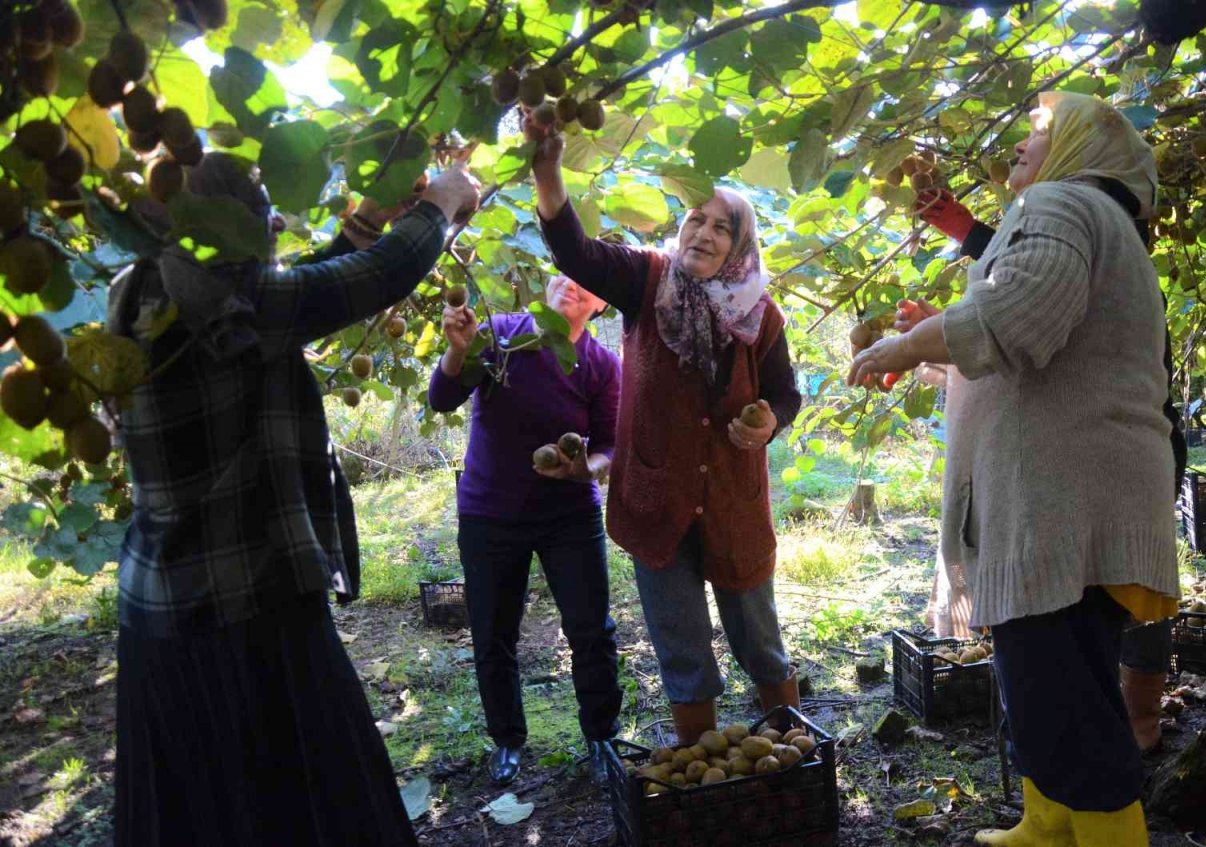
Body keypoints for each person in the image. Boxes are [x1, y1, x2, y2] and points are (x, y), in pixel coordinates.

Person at [107, 152, 479, 847]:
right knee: (312, 807)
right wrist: (445, 202)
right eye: (259, 215)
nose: (273, 224)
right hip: (251, 609)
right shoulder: (224, 300)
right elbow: (371, 280)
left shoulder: (148, 286)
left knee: (200, 817)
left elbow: (283, 295)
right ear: (226, 231)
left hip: (161, 615)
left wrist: (364, 223)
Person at [850, 91, 1179, 845]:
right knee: (1055, 688)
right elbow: (1032, 363)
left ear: (1080, 145)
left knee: (1064, 704)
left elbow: (1016, 317)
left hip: (1055, 508)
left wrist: (904, 346)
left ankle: (1094, 829)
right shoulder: (1092, 219)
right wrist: (935, 354)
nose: (1020, 150)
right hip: (1070, 504)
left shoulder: (1060, 203)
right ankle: (1046, 823)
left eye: (1038, 133)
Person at [525, 115, 803, 744]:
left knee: (759, 636)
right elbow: (575, 252)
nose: (703, 232)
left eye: (721, 225)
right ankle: (700, 764)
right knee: (682, 648)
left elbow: (786, 393)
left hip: (733, 501)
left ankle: (791, 749)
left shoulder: (762, 314)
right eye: (695, 220)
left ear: (741, 243)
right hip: (655, 499)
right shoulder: (647, 281)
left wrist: (767, 424)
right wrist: (548, 170)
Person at [910, 134, 1186, 757]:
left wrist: (916, 341)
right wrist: (942, 327)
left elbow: (1021, 302)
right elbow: (1014, 288)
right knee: (1083, 632)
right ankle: (1075, 781)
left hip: (1099, 468)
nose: (1020, 145)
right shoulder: (1085, 231)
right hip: (1076, 468)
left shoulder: (1072, 220)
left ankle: (1135, 723)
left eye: (1040, 137)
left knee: (1101, 599)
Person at [426, 274, 623, 786]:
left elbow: (609, 446)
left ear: (602, 304)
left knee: (591, 630)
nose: (575, 284)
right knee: (493, 633)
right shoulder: (501, 335)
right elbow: (443, 397)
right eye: (567, 271)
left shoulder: (602, 365)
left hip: (570, 514)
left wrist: (582, 469)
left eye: (590, 280)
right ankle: (507, 741)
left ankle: (602, 736)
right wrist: (457, 350)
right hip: (489, 512)